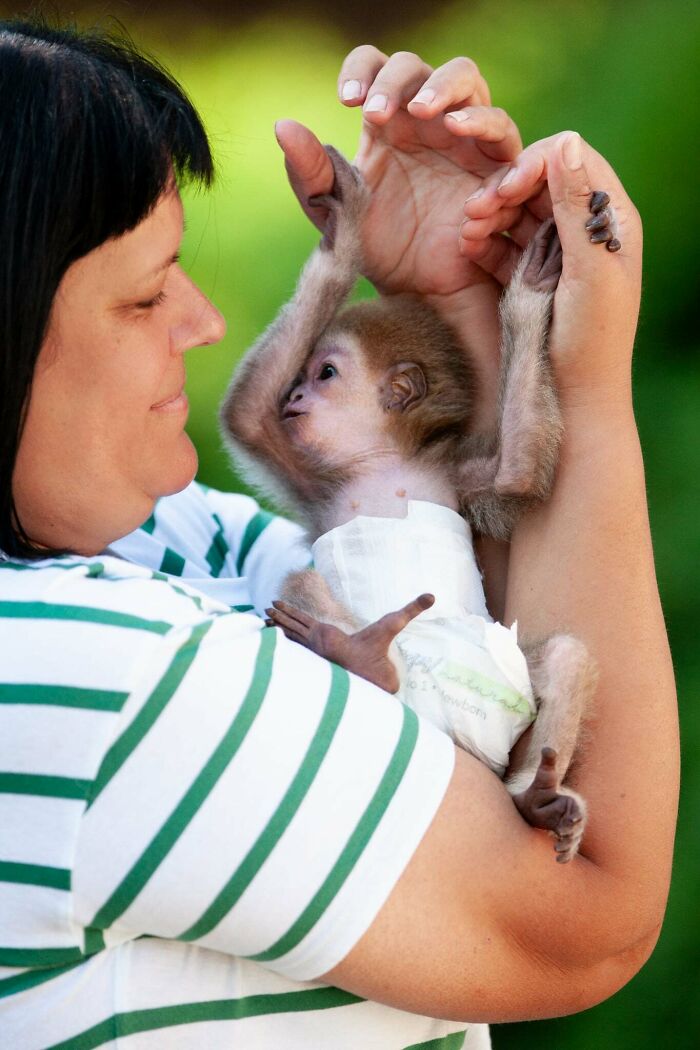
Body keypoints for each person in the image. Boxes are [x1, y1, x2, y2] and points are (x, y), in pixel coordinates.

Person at [0, 19, 677, 1050]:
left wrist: (452, 304)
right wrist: (579, 374)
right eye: (143, 296)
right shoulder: (90, 674)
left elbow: (477, 599)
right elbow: (582, 923)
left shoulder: (152, 543)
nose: (204, 320)